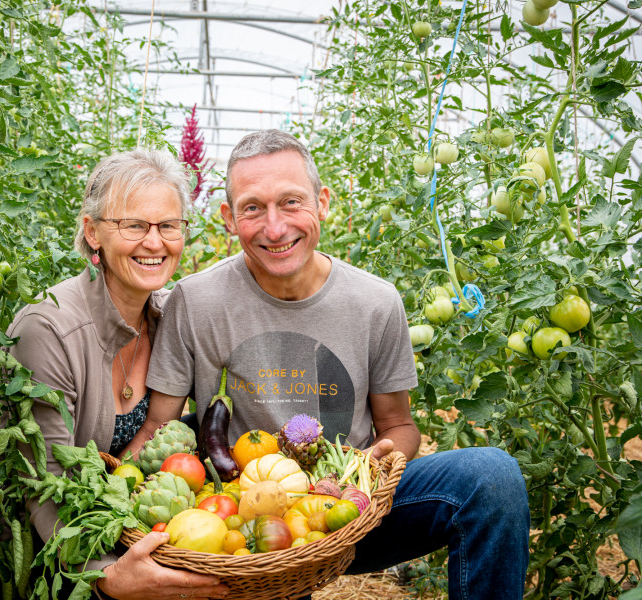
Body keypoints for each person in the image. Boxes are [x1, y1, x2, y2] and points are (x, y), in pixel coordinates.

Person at [127, 130, 531, 600]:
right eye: (253, 208)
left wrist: (378, 463)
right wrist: (116, 489)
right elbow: (160, 425)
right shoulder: (195, 301)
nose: (275, 228)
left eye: (292, 202)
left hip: (356, 507)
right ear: (229, 219)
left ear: (322, 203)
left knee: (492, 477)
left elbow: (399, 425)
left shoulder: (375, 303)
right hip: (252, 525)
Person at [6, 149, 229, 600]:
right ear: (92, 233)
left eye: (168, 225)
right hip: (36, 555)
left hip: (119, 530)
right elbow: (43, 483)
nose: (155, 242)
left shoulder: (170, 319)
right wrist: (107, 577)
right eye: (134, 225)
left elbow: (154, 445)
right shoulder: (49, 328)